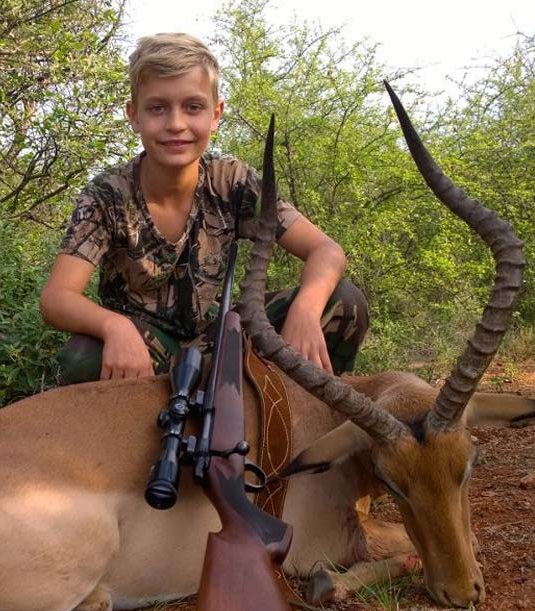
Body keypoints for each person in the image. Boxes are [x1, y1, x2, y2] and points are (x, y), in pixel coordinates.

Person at [40, 32, 368, 384]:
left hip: (217, 337)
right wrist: (114, 326)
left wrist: (305, 308)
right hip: (144, 350)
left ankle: (301, 417)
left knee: (344, 303)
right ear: (134, 116)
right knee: (81, 357)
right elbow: (57, 298)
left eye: (193, 107)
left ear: (216, 114)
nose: (176, 124)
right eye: (157, 108)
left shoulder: (232, 181)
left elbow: (326, 250)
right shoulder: (106, 195)